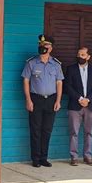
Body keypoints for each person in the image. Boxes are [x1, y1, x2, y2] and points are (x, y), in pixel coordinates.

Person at [22, 35, 64, 168]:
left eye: (46, 46)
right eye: (41, 45)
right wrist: (28, 100)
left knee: (47, 130)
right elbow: (26, 81)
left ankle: (43, 158)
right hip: (36, 99)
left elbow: (59, 83)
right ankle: (35, 158)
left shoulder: (56, 64)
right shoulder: (31, 63)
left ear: (51, 48)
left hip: (51, 99)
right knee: (35, 130)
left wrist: (58, 100)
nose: (43, 48)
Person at [64, 47, 92, 166]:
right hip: (75, 105)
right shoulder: (71, 69)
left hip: (91, 105)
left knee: (89, 132)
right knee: (74, 132)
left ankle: (87, 156)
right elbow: (67, 87)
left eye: (83, 55)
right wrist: (80, 99)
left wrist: (88, 99)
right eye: (79, 54)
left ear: (88, 57)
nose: (80, 57)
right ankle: (74, 157)